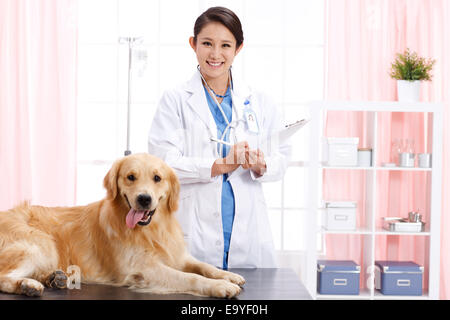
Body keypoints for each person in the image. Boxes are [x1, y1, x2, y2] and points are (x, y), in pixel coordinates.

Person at [148, 7, 291, 269]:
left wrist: (262, 164)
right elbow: (161, 166)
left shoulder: (258, 101)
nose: (215, 54)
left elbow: (282, 155)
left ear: (238, 48)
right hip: (193, 232)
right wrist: (218, 166)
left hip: (248, 234)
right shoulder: (175, 100)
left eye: (225, 45)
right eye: (207, 44)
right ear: (193, 44)